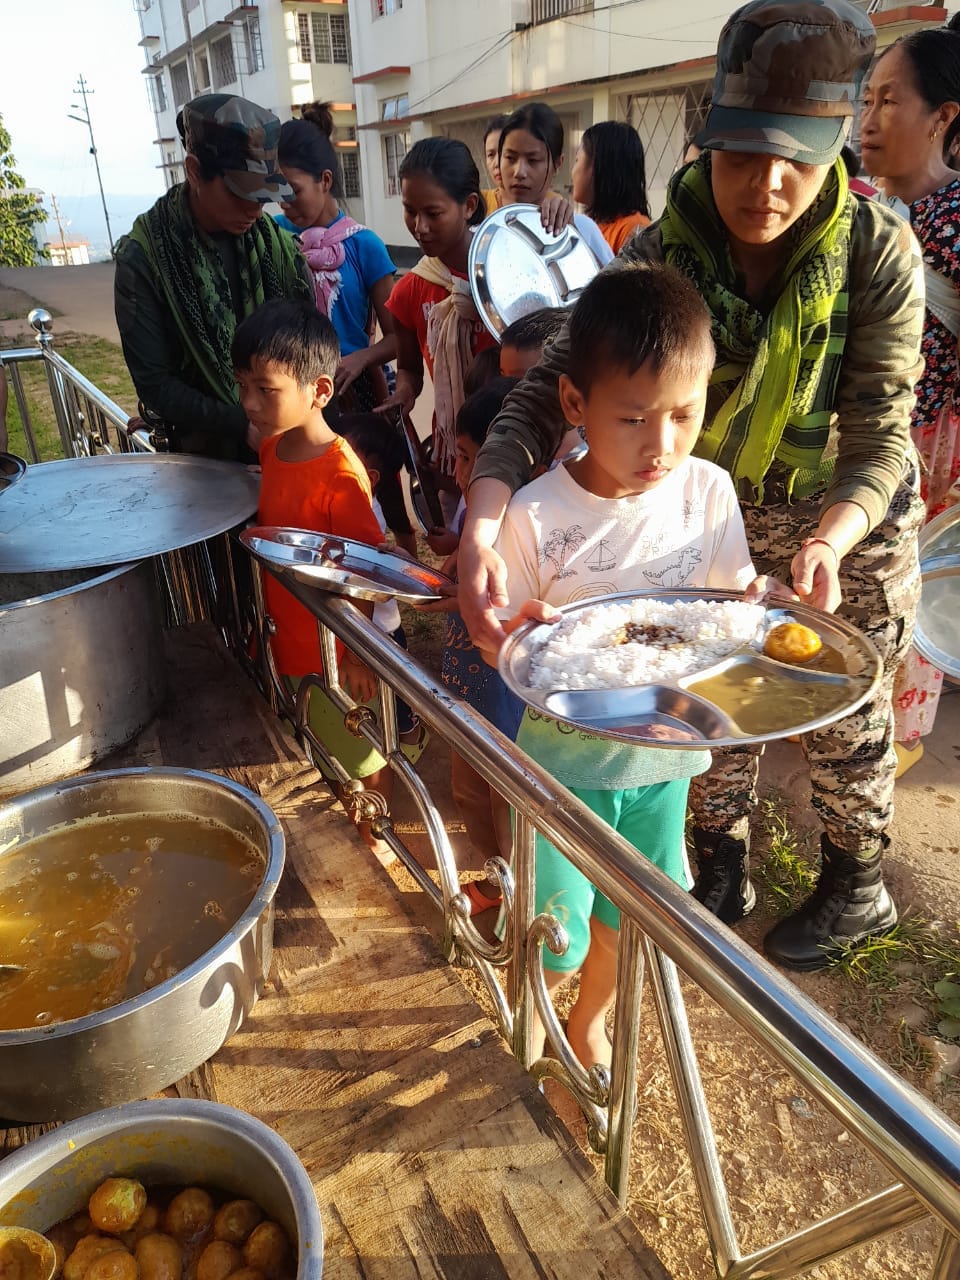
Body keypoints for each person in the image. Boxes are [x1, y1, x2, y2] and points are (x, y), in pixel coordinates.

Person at [458, 0, 926, 973]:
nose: (766, 183)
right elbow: (545, 394)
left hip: (842, 510)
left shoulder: (876, 251)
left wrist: (828, 540)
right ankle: (719, 861)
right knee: (705, 690)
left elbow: (881, 429)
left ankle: (856, 883)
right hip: (702, 493)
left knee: (841, 702)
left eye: (797, 157)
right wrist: (482, 526)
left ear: (836, 147)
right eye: (742, 152)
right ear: (710, 132)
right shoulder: (660, 252)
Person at [489, 264, 763, 1068]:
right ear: (574, 403)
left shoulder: (706, 494)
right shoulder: (536, 515)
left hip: (664, 763)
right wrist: (509, 634)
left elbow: (730, 607)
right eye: (635, 418)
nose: (662, 445)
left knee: (632, 914)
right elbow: (502, 639)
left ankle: (589, 1024)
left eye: (684, 415)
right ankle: (533, 1026)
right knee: (558, 930)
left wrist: (757, 604)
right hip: (562, 772)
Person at [234, 299, 391, 842]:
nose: (249, 403)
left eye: (265, 389)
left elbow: (366, 571)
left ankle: (377, 836)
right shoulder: (273, 450)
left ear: (319, 390)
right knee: (317, 741)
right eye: (242, 386)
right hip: (287, 636)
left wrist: (360, 654)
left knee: (362, 753)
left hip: (335, 651)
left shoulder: (341, 477)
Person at [859, 27, 960, 775]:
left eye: (889, 101)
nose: (868, 121)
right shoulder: (871, 212)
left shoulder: (954, 219)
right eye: (865, 101)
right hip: (876, 437)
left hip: (935, 447)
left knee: (915, 593)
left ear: (943, 118)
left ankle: (897, 742)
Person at [115, 94, 312, 461]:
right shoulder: (145, 259)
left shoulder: (278, 250)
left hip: (289, 447)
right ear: (194, 170)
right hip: (203, 465)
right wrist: (243, 426)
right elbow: (155, 383)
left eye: (263, 196)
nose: (255, 210)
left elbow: (308, 346)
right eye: (241, 192)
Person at [438, 378, 526, 914]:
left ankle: (522, 900)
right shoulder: (476, 523)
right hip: (467, 698)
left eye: (469, 458)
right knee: (468, 794)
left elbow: (521, 611)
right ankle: (499, 878)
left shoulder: (528, 529)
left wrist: (458, 597)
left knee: (507, 807)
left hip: (509, 713)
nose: (458, 472)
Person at [377, 137, 497, 507]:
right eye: (410, 211)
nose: (420, 226)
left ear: (469, 206)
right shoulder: (410, 291)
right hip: (452, 462)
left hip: (512, 448)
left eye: (433, 213)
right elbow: (410, 369)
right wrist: (403, 393)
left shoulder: (501, 272)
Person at [276, 103, 397, 414]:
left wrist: (361, 358)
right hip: (291, 393)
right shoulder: (272, 238)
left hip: (350, 389)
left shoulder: (364, 245)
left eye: (293, 191)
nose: (284, 204)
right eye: (278, 192)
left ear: (325, 181)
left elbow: (398, 338)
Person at [498, 104, 613, 268]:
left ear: (558, 163)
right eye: (510, 158)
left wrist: (574, 237)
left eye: (533, 160)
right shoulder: (484, 232)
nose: (519, 172)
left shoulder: (582, 229)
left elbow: (611, 283)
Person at [570, 121, 651, 254]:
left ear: (598, 166)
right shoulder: (591, 224)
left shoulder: (635, 231)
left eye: (577, 160)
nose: (572, 172)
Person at [481, 114, 510, 215]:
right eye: (491, 155)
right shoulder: (479, 203)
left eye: (505, 153)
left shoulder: (547, 203)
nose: (497, 163)